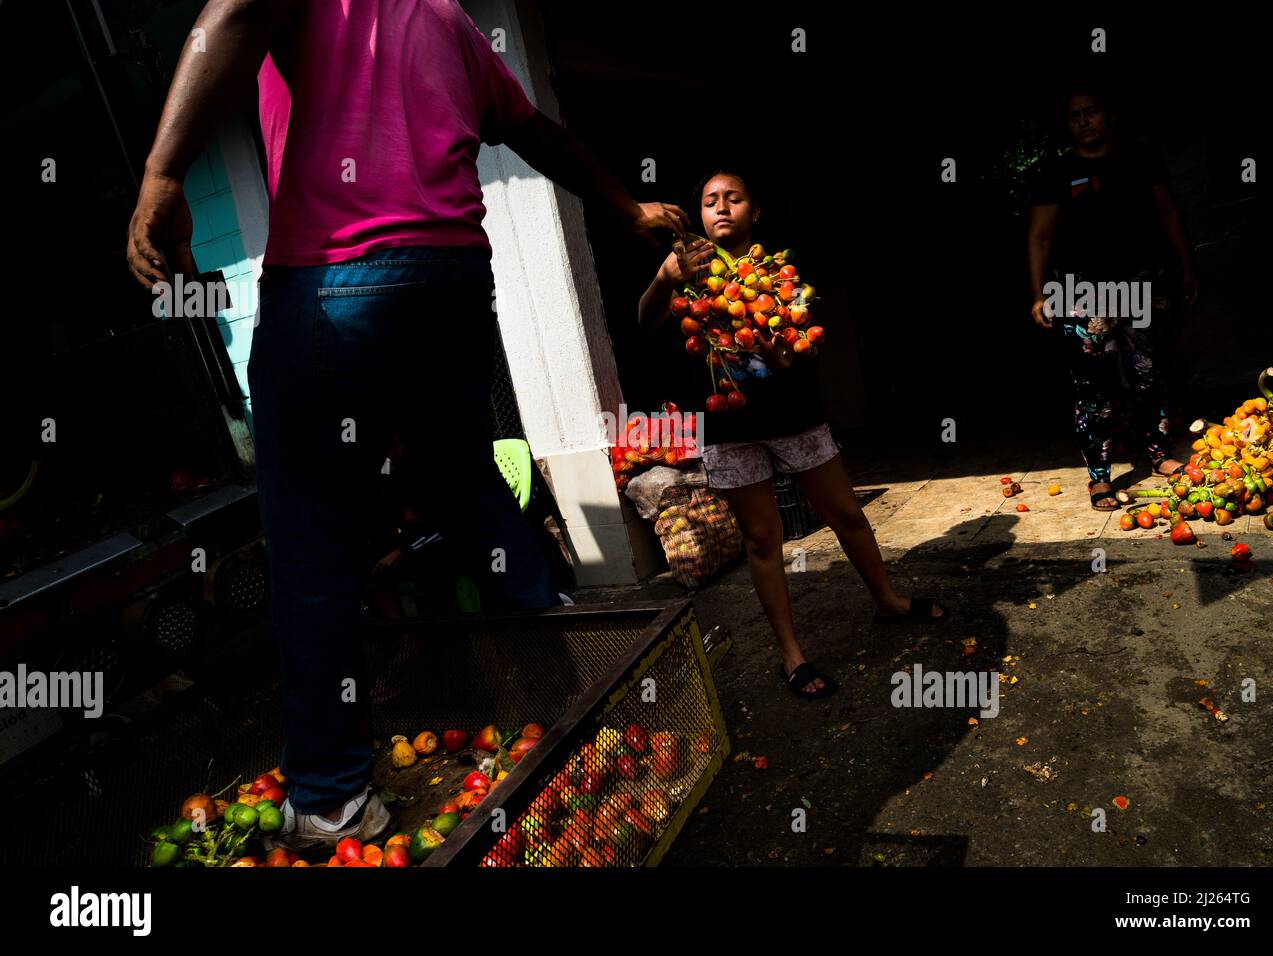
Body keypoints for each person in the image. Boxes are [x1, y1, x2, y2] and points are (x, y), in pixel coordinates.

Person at [126, 0, 688, 851]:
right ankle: (567, 700)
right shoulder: (452, 20)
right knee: (468, 489)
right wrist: (625, 207)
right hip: (452, 282)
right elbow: (539, 135)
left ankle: (332, 799)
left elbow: (234, 11)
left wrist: (164, 174)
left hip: (334, 281)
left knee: (312, 547)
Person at [637, 169, 948, 701]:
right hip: (730, 427)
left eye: (733, 198)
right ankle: (792, 655)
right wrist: (664, 278)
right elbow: (646, 324)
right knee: (763, 539)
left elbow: (803, 344)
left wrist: (780, 354)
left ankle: (887, 600)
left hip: (795, 416)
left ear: (754, 211)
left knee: (846, 514)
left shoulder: (779, 270)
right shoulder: (685, 268)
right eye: (710, 201)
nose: (721, 207)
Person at [1028, 88, 1200, 510]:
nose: (1085, 121)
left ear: (1108, 114)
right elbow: (1041, 234)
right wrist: (1037, 294)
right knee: (1094, 388)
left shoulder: (1139, 158)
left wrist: (1186, 267)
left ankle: (1159, 456)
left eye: (1092, 112)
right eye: (1075, 116)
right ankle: (1100, 477)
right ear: (1067, 124)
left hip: (1141, 283)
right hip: (1081, 291)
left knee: (1149, 373)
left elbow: (1167, 211)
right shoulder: (1056, 170)